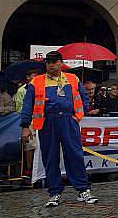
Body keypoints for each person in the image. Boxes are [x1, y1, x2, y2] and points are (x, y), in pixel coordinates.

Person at [21, 51, 96, 207]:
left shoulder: (73, 79)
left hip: (69, 120)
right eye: (48, 61)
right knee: (50, 157)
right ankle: (55, 192)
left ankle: (83, 190)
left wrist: (78, 116)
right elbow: (27, 105)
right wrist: (25, 126)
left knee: (74, 155)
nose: (50, 64)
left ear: (61, 63)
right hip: (48, 122)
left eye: (54, 61)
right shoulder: (37, 81)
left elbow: (84, 97)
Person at [14, 69, 40, 179]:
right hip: (29, 121)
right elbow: (18, 107)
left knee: (40, 146)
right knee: (30, 145)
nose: (35, 78)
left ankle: (39, 168)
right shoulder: (21, 91)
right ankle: (29, 169)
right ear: (28, 77)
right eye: (33, 76)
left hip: (40, 120)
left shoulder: (41, 88)